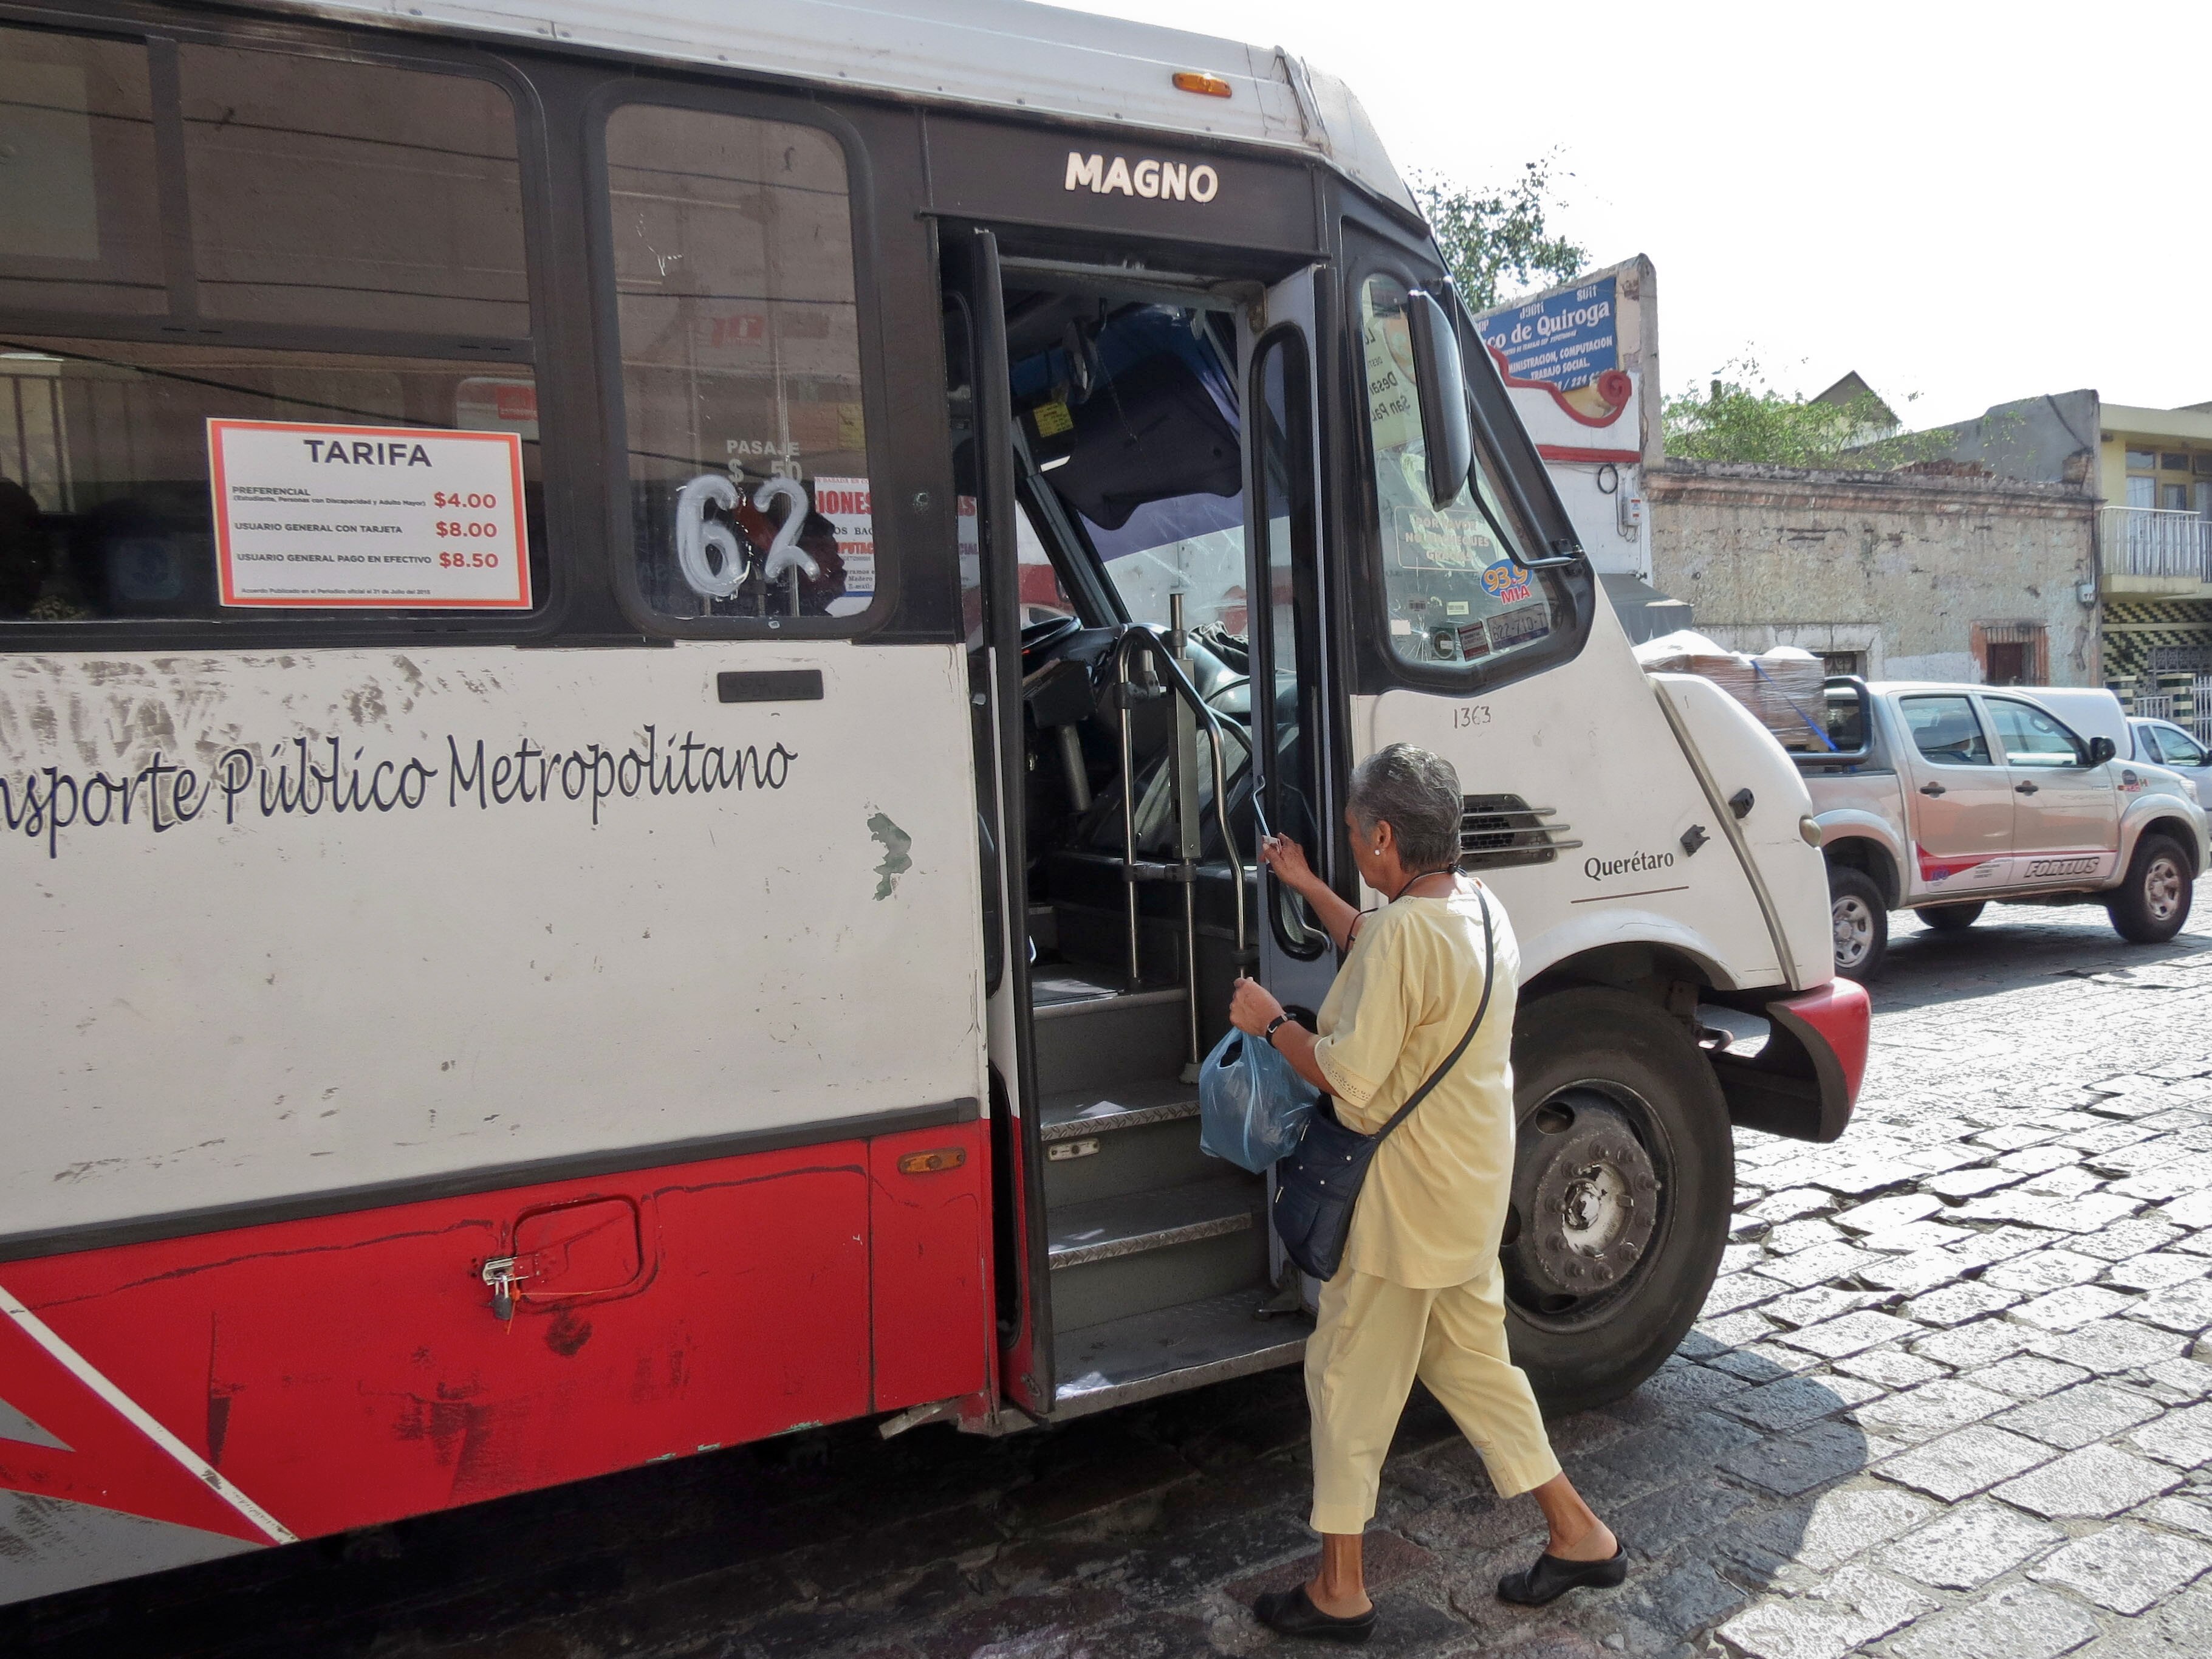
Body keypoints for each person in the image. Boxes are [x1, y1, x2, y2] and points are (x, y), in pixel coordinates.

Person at [1228, 743, 1625, 1644]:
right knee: (1473, 1368)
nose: (1352, 858)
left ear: (1381, 835)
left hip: (1400, 1205)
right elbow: (1384, 950)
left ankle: (1339, 1588)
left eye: (1351, 842)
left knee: (1344, 1380)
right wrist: (1305, 886)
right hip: (1467, 1188)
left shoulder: (1404, 934)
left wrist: (1272, 1021)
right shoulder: (1480, 909)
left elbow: (1352, 1082)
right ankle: (1579, 1533)